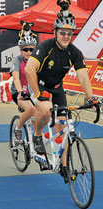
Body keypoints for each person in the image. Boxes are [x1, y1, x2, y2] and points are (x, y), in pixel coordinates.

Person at [25, 11, 97, 182]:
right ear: (55, 32)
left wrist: (91, 97)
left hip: (57, 88)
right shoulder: (45, 46)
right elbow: (29, 70)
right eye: (62, 32)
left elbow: (83, 77)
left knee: (62, 127)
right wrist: (38, 95)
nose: (66, 36)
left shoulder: (75, 52)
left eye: (69, 33)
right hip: (38, 85)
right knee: (46, 110)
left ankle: (63, 166)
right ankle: (37, 134)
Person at [10, 32, 37, 143]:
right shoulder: (18, 60)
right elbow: (16, 78)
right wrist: (20, 91)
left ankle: (37, 137)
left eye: (31, 50)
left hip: (33, 91)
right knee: (31, 109)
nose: (29, 52)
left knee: (39, 113)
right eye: (25, 50)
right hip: (19, 91)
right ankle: (18, 128)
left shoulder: (37, 60)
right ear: (21, 50)